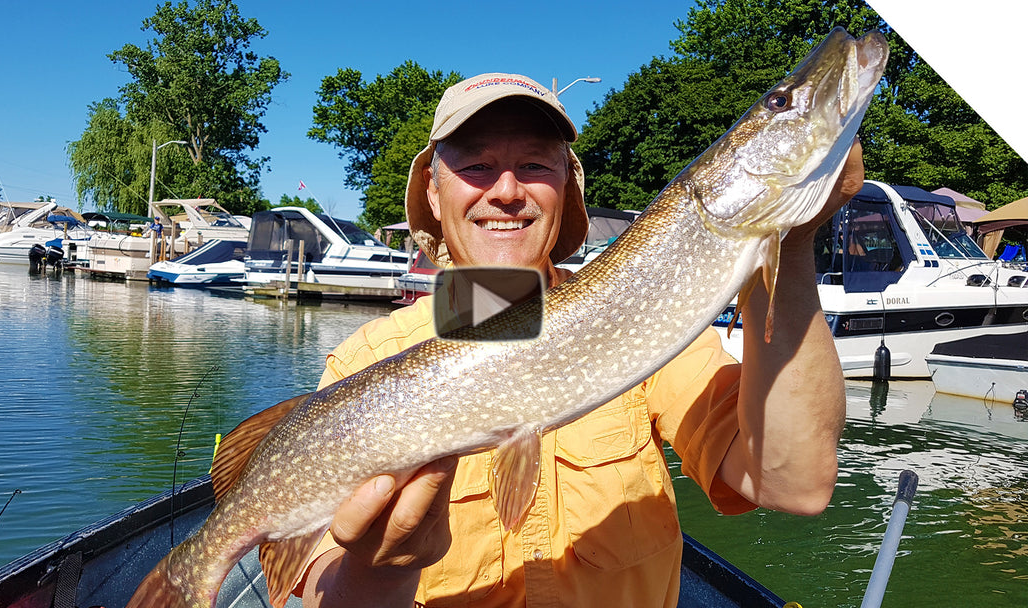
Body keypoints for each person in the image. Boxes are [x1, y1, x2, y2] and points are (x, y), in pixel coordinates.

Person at [294, 73, 862, 607]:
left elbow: (794, 483)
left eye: (536, 164)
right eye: (476, 165)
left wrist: (791, 239)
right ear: (434, 195)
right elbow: (303, 584)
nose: (507, 190)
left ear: (568, 187)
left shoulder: (650, 321)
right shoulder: (369, 358)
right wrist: (380, 569)